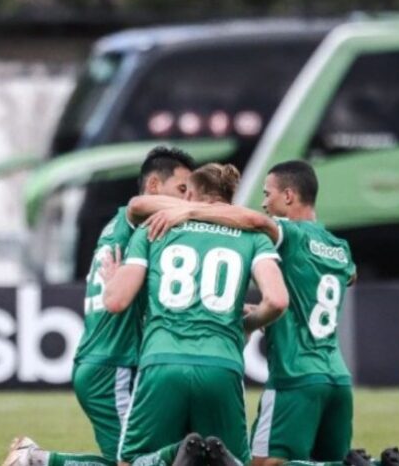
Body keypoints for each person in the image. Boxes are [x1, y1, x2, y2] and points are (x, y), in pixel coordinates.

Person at [137, 160, 359, 465]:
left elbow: (251, 220)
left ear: (289, 196)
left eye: (268, 194)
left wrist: (189, 211)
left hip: (295, 375)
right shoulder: (340, 248)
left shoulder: (288, 233)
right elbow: (343, 281)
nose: (264, 202)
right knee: (334, 459)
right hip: (337, 377)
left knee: (261, 463)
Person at [2, 146, 196, 466]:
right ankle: (33, 461)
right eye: (181, 190)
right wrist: (199, 211)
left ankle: (36, 460)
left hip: (110, 361)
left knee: (151, 457)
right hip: (112, 365)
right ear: (153, 187)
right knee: (136, 463)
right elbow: (138, 205)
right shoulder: (136, 218)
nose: (188, 200)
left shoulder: (123, 229)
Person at [102, 163, 289, 466]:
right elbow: (278, 301)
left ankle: (173, 456)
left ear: (188, 193)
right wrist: (245, 325)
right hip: (222, 365)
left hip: (162, 361)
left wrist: (112, 282)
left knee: (132, 461)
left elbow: (116, 302)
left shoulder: (156, 227)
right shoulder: (253, 237)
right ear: (230, 197)